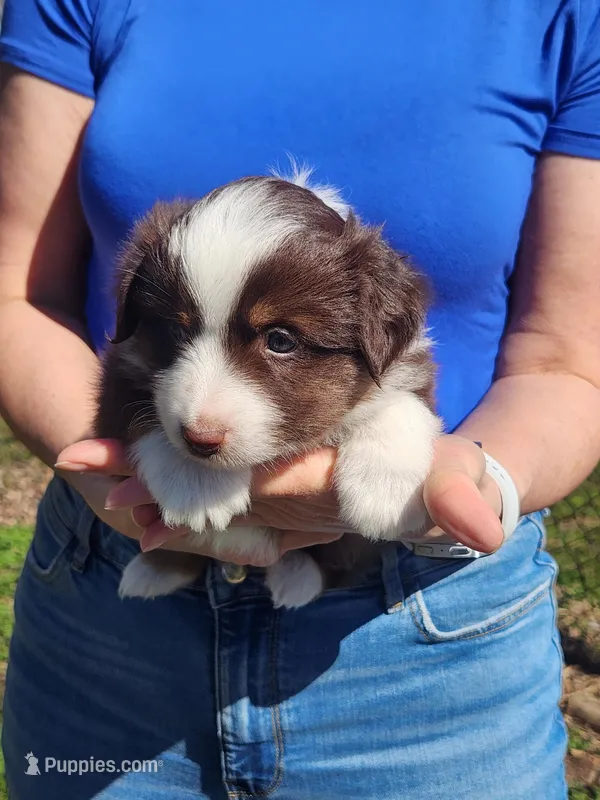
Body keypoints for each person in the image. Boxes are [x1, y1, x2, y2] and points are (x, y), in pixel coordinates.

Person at [1, 1, 599, 797]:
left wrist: (465, 478)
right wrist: (131, 466)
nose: (204, 410)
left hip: (424, 633)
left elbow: (567, 358)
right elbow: (20, 293)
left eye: (277, 341)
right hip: (109, 616)